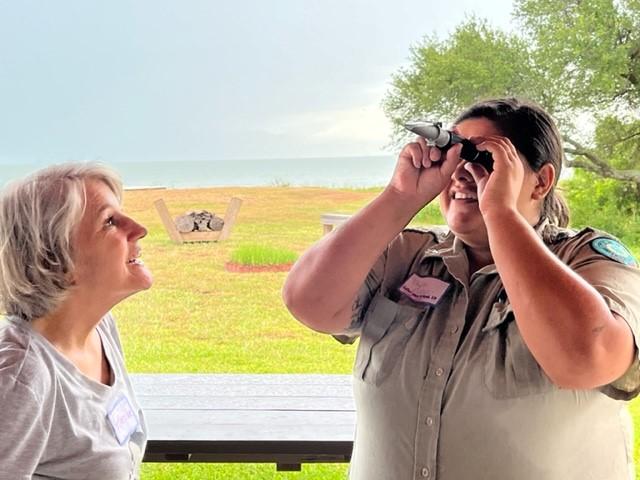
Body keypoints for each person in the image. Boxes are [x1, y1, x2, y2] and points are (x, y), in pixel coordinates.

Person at [283, 98, 640, 480]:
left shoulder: (587, 260)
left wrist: (499, 212)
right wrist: (400, 197)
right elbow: (309, 302)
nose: (461, 173)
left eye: (484, 160)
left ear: (541, 181)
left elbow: (589, 358)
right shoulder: (407, 253)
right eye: (452, 155)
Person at [0, 163, 152, 479]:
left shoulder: (100, 329)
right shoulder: (21, 380)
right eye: (110, 222)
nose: (139, 229)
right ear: (56, 259)